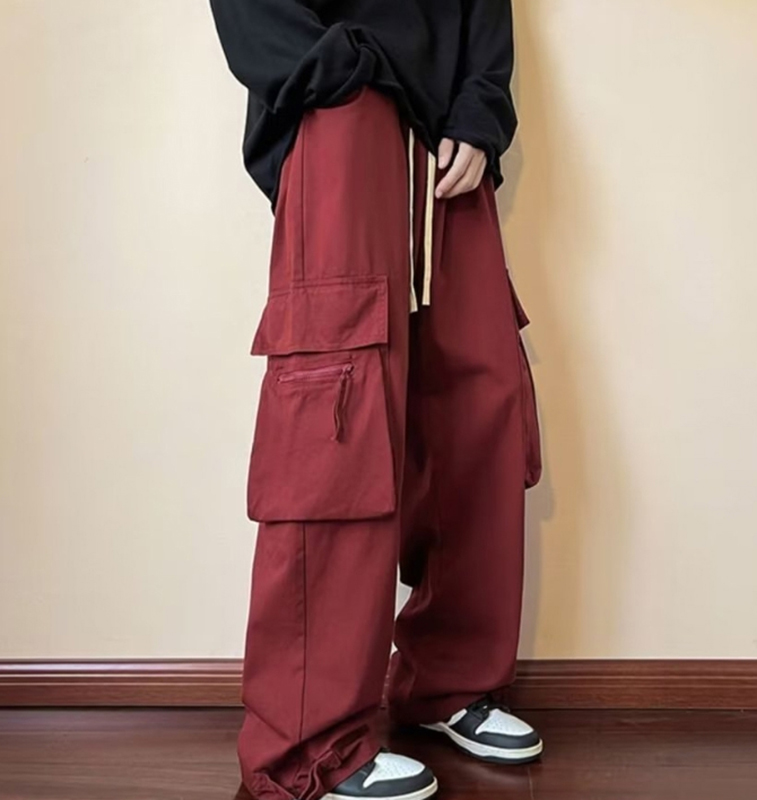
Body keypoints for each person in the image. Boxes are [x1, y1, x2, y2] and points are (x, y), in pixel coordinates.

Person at [209, 2, 543, 799]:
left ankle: (447, 679)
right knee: (338, 406)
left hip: (447, 130)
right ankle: (308, 742)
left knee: (478, 402)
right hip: (344, 111)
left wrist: (480, 110)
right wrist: (340, 72)